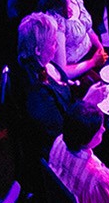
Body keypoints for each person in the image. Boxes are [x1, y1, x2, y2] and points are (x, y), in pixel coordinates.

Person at [9, 12, 71, 159]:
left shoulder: (31, 62)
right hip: (60, 148)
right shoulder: (37, 95)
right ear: (38, 50)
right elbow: (63, 130)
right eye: (53, 42)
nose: (57, 46)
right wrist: (88, 101)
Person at [38, 0, 105, 80]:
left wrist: (100, 48)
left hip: (92, 52)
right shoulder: (56, 23)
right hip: (78, 68)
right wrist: (93, 62)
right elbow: (62, 72)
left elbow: (87, 28)